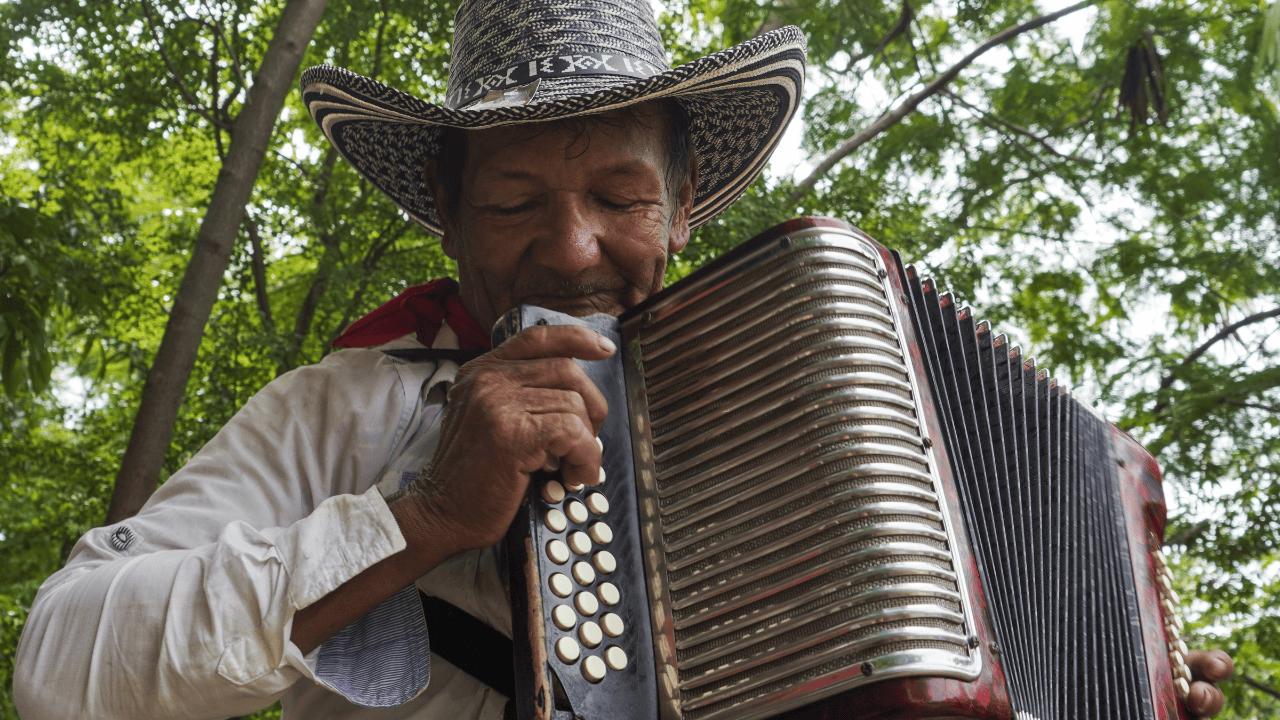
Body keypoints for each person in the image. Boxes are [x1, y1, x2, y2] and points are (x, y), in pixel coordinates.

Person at [13, 0, 1233, 718]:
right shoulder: (336, 410)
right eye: (514, 202)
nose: (572, 245)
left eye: (618, 195)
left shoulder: (821, 408)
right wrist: (423, 517)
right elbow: (60, 666)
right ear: (443, 207)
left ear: (684, 204)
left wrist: (1126, 677)